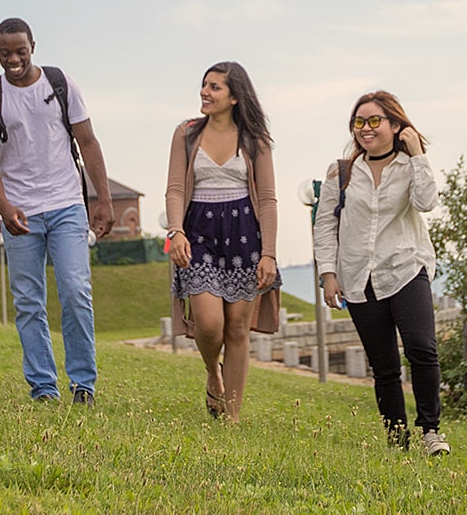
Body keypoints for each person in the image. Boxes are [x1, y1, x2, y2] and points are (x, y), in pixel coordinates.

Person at [0, 17, 113, 405]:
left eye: (20, 51)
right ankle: (44, 388)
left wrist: (104, 198)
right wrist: (3, 206)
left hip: (67, 204)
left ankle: (83, 383)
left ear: (33, 45)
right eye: (5, 53)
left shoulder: (60, 84)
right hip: (20, 213)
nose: (13, 59)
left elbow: (87, 141)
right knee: (28, 301)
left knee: (75, 290)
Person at [312, 90, 450, 456]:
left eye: (375, 121)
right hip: (358, 277)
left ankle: (430, 432)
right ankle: (396, 439)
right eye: (359, 122)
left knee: (422, 349)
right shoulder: (340, 173)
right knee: (384, 366)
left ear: (395, 124)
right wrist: (328, 274)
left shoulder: (411, 167)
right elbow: (324, 225)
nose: (366, 129)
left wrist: (417, 152)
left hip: (406, 268)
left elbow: (426, 202)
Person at [164, 61, 280, 422]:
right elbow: (175, 188)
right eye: (204, 85)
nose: (205, 92)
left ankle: (231, 416)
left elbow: (267, 199)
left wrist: (269, 254)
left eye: (215, 87)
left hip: (244, 235)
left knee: (237, 329)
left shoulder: (255, 139)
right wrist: (175, 230)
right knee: (210, 323)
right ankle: (212, 371)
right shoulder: (185, 133)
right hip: (197, 233)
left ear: (234, 97)